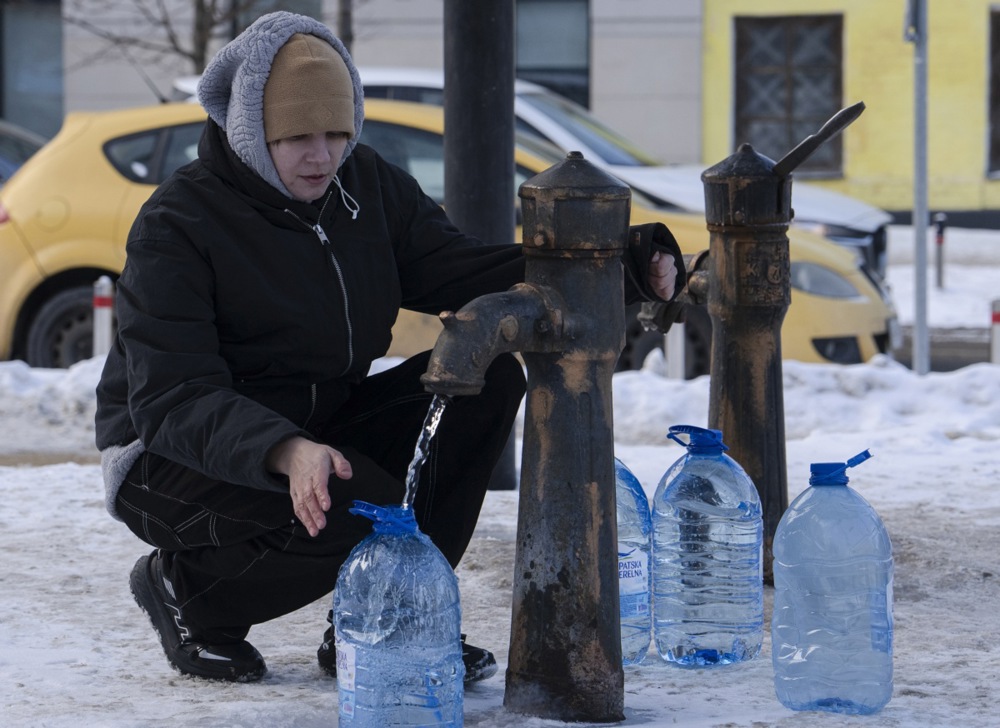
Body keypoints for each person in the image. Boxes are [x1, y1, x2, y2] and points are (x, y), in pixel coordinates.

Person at [95, 10, 685, 684]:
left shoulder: (364, 188)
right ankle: (186, 593)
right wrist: (284, 451)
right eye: (298, 137)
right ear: (253, 134)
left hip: (313, 425)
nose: (322, 156)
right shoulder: (178, 225)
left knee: (487, 385)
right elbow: (174, 397)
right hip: (166, 454)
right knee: (357, 503)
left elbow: (461, 269)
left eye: (336, 133)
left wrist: (615, 266)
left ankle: (381, 616)